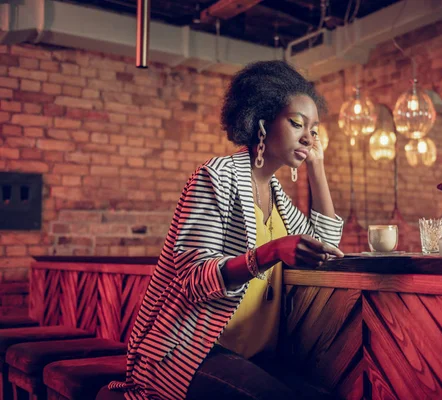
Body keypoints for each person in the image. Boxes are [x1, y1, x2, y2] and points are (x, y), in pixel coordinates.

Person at [105, 60, 344, 400]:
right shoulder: (215, 177)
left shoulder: (277, 195)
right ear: (261, 122)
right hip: (191, 349)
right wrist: (271, 251)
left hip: (253, 355)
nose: (309, 137)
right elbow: (193, 277)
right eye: (296, 123)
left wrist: (317, 167)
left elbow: (325, 245)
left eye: (314, 129)